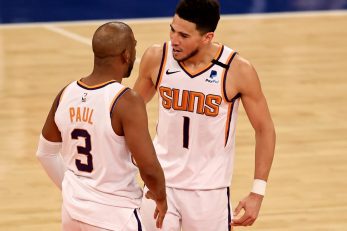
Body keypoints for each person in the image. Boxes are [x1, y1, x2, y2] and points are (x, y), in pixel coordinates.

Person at [133, 0, 276, 230]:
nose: (174, 39)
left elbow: (265, 129)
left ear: (207, 37)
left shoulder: (237, 70)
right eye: (172, 29)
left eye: (183, 35)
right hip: (160, 184)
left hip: (209, 193)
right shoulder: (157, 58)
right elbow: (129, 112)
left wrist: (257, 193)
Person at [36, 21, 167, 231]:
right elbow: (149, 167)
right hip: (114, 216)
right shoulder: (126, 100)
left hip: (72, 214)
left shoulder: (66, 93)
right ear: (126, 55)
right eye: (134, 46)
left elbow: (45, 153)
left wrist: (75, 192)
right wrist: (161, 197)